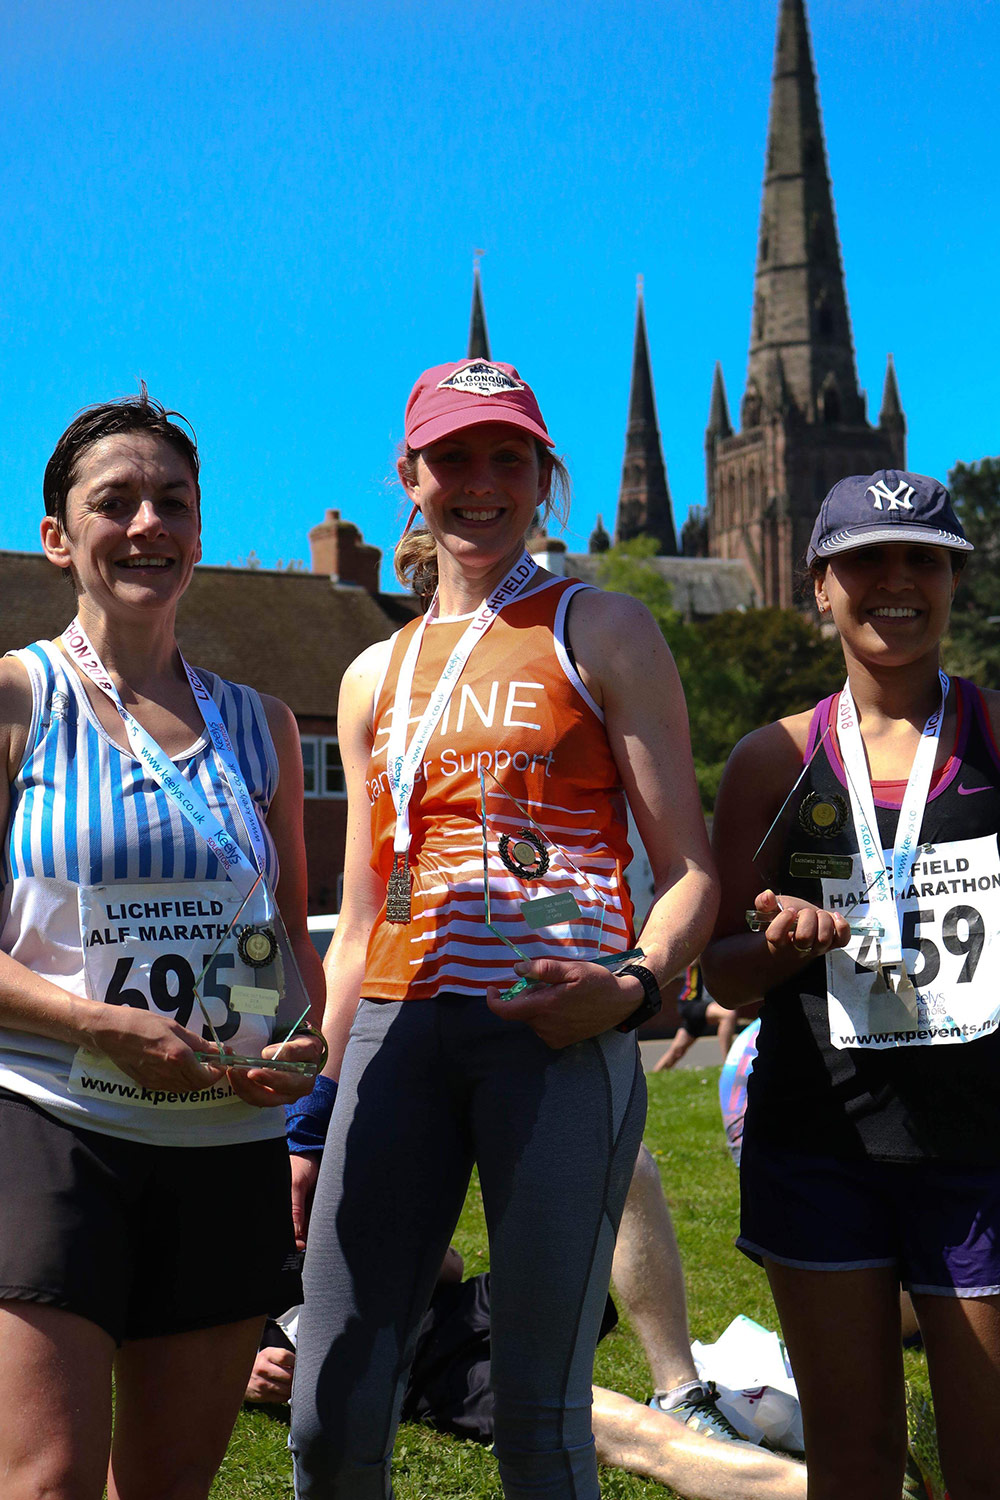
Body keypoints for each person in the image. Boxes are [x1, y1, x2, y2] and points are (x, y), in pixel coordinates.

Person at [289, 358, 718, 1499]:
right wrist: (313, 1113)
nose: (480, 483)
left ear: (544, 477)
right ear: (408, 478)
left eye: (507, 457)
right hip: (397, 1032)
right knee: (329, 1418)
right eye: (452, 458)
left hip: (557, 1044)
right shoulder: (372, 673)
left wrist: (626, 989)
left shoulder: (602, 627)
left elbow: (688, 874)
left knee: (539, 1420)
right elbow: (361, 913)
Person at [0, 392, 325, 1500]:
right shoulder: (14, 697)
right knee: (44, 1481)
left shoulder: (263, 723)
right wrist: (96, 1023)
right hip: (51, 1122)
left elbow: (285, 932)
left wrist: (300, 1038)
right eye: (115, 502)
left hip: (219, 1141)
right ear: (58, 538)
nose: (147, 523)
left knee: (167, 1488)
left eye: (171, 502)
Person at [702, 470, 1000, 1500]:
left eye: (921, 557)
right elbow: (720, 970)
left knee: (984, 1459)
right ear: (817, 584)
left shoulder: (998, 739)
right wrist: (779, 944)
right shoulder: (770, 759)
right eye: (865, 559)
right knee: (853, 1459)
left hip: (980, 1148)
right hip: (819, 1144)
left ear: (954, 579)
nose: (895, 581)